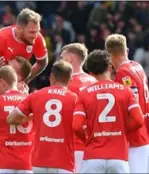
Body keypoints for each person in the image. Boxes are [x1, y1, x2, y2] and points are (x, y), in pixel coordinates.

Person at [72, 50, 144, 173]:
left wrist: (86, 139)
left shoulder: (84, 94)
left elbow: (76, 126)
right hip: (119, 157)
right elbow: (139, 120)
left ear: (90, 73)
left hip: (93, 157)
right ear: (110, 67)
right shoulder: (126, 91)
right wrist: (122, 131)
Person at [7, 60, 77, 173]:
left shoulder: (36, 95)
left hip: (38, 162)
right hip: (64, 163)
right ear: (70, 79)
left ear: (52, 77)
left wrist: (33, 115)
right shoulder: (75, 99)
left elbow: (11, 119)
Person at [0, 8, 48, 111]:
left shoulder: (37, 38)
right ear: (19, 28)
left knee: (19, 115)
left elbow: (42, 62)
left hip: (11, 85)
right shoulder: (0, 38)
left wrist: (24, 81)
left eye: (37, 31)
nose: (35, 36)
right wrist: (10, 84)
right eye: (31, 32)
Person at [104, 34, 149, 173]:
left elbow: (131, 106)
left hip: (134, 140)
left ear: (109, 55)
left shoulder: (123, 74)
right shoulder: (137, 66)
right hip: (145, 137)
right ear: (127, 50)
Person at [60, 43, 96, 172]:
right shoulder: (94, 81)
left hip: (73, 145)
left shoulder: (67, 83)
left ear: (70, 58)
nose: (60, 61)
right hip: (94, 144)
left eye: (62, 57)